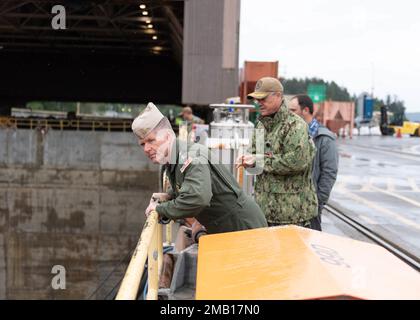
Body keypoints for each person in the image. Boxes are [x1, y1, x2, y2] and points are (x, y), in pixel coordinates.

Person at [132, 102, 267, 235]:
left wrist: (160, 209)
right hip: (228, 228)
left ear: (167, 136)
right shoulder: (176, 158)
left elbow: (197, 198)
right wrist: (170, 195)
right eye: (142, 144)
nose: (146, 149)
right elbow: (187, 185)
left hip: (243, 228)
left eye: (151, 140)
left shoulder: (191, 156)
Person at [236, 77, 319, 229]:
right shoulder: (261, 125)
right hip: (265, 211)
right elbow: (253, 155)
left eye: (263, 98)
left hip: (293, 215)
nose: (259, 103)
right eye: (256, 99)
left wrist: (257, 161)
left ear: (279, 96)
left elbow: (296, 161)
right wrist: (248, 160)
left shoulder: (295, 126)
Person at [289, 95, 338, 230]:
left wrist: (317, 202)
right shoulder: (291, 135)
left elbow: (329, 173)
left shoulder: (324, 138)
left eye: (293, 110)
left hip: (310, 209)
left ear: (305, 110)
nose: (289, 114)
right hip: (288, 206)